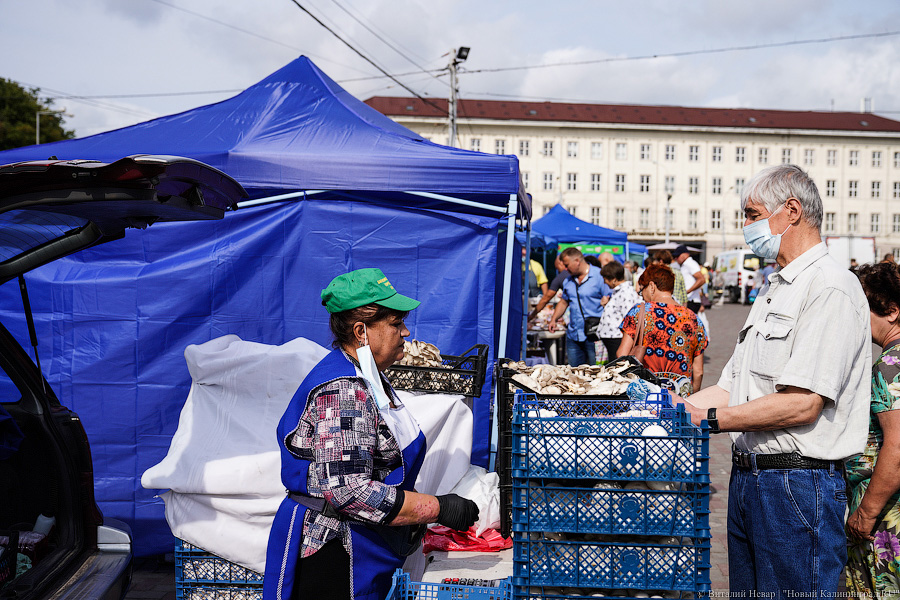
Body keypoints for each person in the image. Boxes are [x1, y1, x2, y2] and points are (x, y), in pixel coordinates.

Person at [682, 164, 871, 595]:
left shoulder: (829, 287)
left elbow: (802, 402)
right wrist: (664, 409)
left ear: (791, 211)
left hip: (797, 487)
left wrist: (706, 420)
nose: (745, 226)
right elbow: (734, 385)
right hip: (750, 480)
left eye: (751, 214)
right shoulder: (774, 288)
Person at [263, 268, 479, 600]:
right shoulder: (345, 391)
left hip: (361, 542)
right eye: (395, 324)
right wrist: (438, 507)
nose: (405, 332)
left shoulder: (368, 376)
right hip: (334, 552)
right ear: (361, 331)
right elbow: (349, 491)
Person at [845, 262, 900, 596]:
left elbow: (896, 448)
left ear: (891, 311)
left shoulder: (889, 367)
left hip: (886, 518)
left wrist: (865, 514)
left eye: (860, 309)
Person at [616, 264, 706, 396]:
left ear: (652, 286)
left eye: (642, 290)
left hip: (646, 395)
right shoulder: (693, 318)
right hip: (680, 397)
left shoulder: (639, 312)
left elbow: (622, 355)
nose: (642, 296)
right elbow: (698, 372)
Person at [548, 247, 611, 366]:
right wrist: (553, 319)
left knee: (596, 373)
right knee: (574, 374)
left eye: (567, 265)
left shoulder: (599, 276)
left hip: (594, 335)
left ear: (577, 260)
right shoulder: (568, 280)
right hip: (574, 335)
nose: (565, 269)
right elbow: (563, 302)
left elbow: (609, 299)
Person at [597, 260, 641, 361]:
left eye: (605, 279)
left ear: (614, 279)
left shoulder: (626, 292)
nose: (604, 282)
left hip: (617, 339)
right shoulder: (619, 291)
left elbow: (629, 318)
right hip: (613, 338)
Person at [528, 255, 568, 320]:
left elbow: (547, 298)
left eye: (557, 268)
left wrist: (532, 315)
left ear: (560, 263)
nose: (558, 271)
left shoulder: (560, 278)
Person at [673, 244, 705, 313]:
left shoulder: (690, 263)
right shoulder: (686, 264)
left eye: (677, 256)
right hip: (690, 300)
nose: (676, 258)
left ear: (685, 254)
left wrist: (687, 291)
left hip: (691, 300)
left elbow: (702, 279)